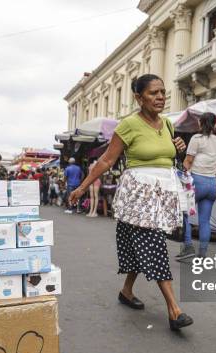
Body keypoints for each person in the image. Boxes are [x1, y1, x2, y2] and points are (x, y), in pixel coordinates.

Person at [69, 74, 193, 330]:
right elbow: (106, 160)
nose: (160, 97)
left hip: (162, 194)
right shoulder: (129, 125)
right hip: (138, 196)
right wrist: (82, 187)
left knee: (135, 246)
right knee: (154, 243)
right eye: (153, 93)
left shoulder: (168, 124)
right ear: (138, 97)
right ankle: (174, 310)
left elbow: (170, 159)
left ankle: (126, 291)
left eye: (162, 92)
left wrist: (179, 149)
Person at [175, 112, 216, 261]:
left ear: (200, 124)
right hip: (212, 183)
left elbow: (188, 161)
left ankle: (188, 246)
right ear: (215, 125)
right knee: (205, 220)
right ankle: (202, 253)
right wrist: (210, 171)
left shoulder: (196, 139)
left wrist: (182, 176)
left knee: (185, 212)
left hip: (196, 180)